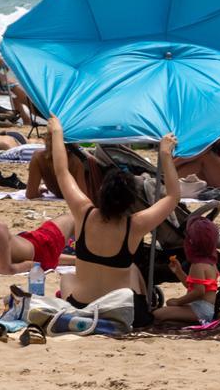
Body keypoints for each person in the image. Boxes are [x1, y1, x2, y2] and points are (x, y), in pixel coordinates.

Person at [52, 115, 179, 326]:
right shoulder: (135, 225)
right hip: (119, 309)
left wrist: (57, 132)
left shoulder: (83, 213)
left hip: (82, 306)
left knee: (67, 278)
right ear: (130, 201)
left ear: (101, 192)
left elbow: (62, 172)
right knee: (132, 270)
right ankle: (146, 302)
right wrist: (165, 154)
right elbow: (173, 196)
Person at [0, 177, 75, 274]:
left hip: (30, 249)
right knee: (72, 218)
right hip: (41, 248)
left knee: (41, 252)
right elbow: (5, 269)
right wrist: (29, 265)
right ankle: (88, 255)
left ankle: (76, 260)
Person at [153, 216, 219, 324]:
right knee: (167, 309)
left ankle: (187, 321)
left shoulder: (197, 265)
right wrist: (179, 272)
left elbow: (199, 292)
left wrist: (178, 302)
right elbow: (194, 287)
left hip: (199, 312)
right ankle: (180, 320)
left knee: (157, 314)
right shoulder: (211, 263)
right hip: (205, 309)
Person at [26, 132, 102, 203]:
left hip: (63, 194)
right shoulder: (76, 160)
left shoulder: (38, 157)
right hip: (76, 194)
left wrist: (38, 192)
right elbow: (82, 196)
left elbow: (31, 194)